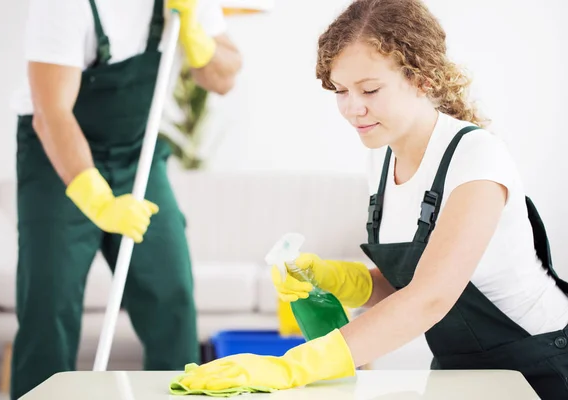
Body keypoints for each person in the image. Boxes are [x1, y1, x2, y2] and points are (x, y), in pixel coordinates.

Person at [172, 1, 568, 399]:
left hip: (537, 364)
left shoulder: (476, 157)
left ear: (423, 78)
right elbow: (408, 283)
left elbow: (431, 296)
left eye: (370, 89)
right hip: (459, 369)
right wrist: (337, 279)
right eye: (341, 91)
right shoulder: (381, 158)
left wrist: (291, 365)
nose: (352, 108)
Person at [9, 0, 241, 398]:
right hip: (55, 159)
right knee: (49, 303)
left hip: (138, 157)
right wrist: (98, 200)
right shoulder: (63, 6)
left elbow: (223, 77)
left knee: (172, 294)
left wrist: (196, 38)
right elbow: (51, 115)